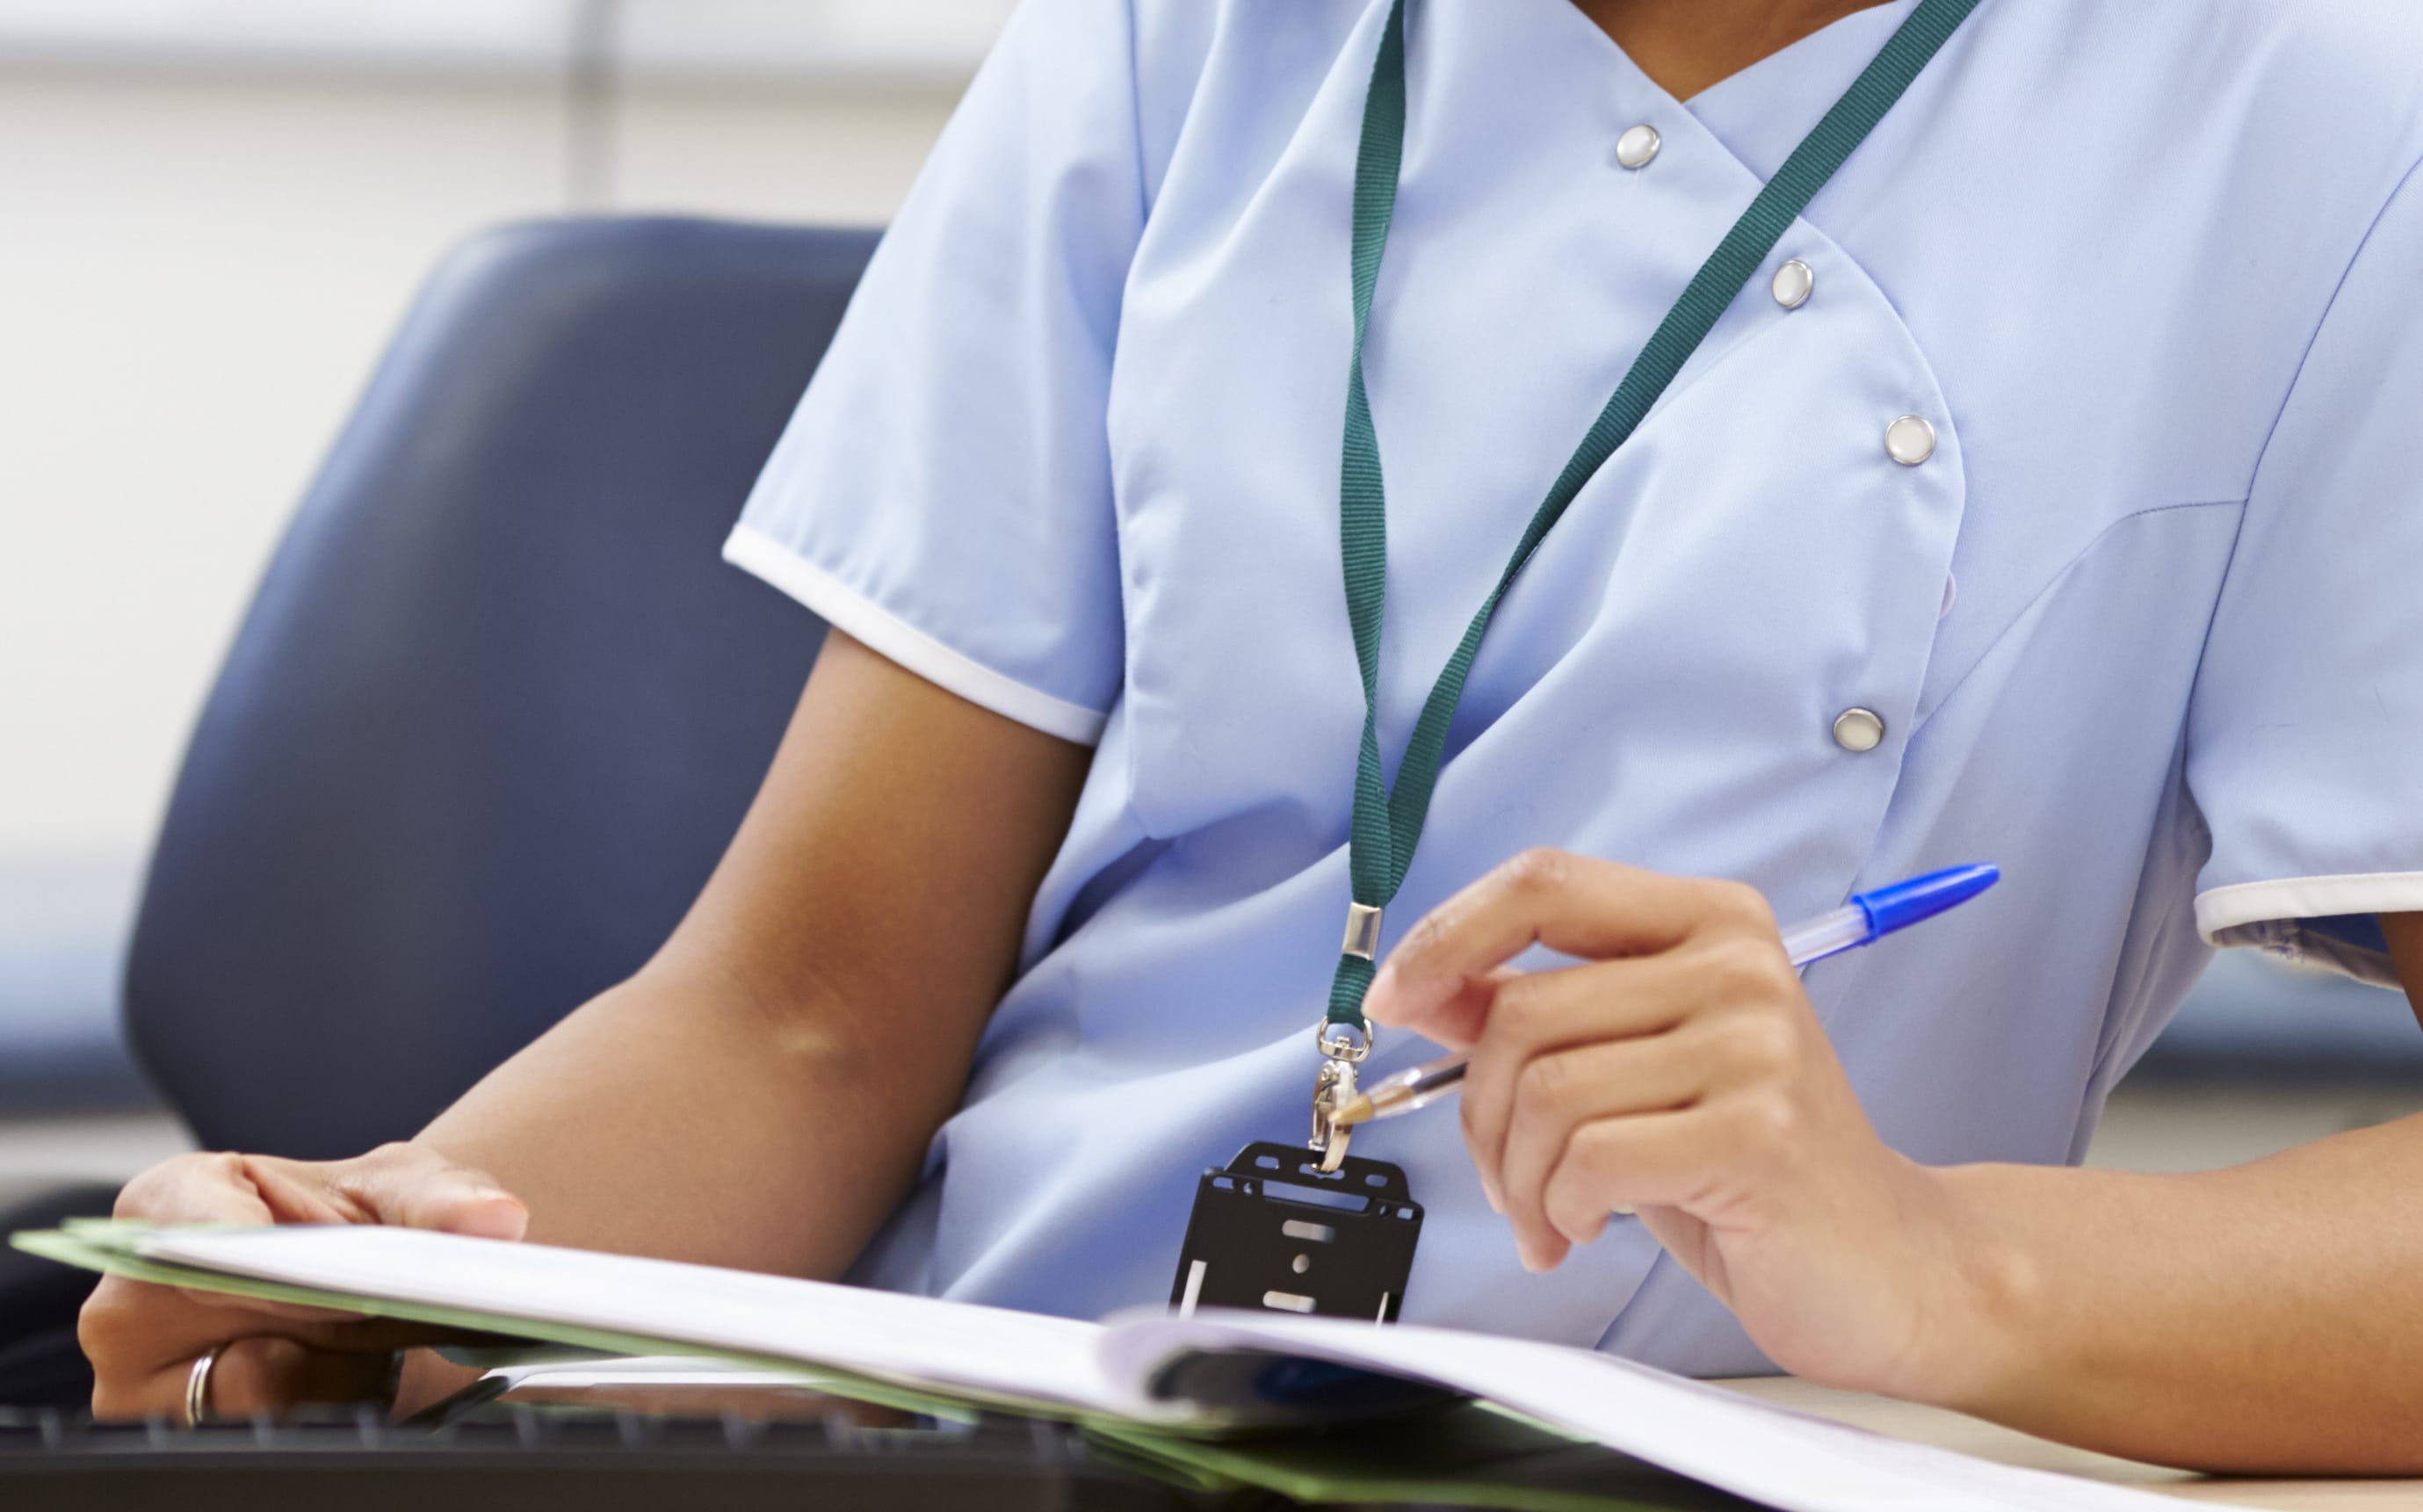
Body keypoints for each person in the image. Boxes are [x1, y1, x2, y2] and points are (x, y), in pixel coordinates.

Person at [77, 0, 2423, 1473]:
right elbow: (801, 1021)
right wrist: (405, 1271)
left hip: (1709, 1459)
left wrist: (1935, 1262)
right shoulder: (1185, 35)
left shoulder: (2315, 115)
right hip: (970, 1414)